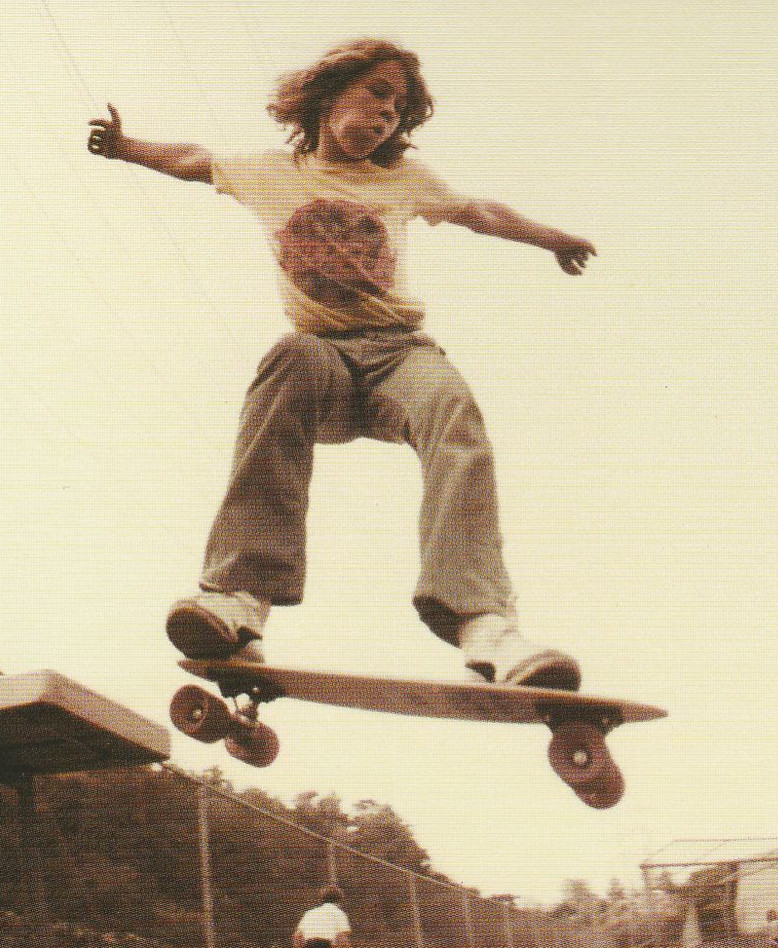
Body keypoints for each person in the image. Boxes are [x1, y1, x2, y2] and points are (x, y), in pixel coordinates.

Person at [87, 39, 595, 688]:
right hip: (319, 363)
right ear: (328, 95)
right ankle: (236, 599)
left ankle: (484, 624)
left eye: (398, 110)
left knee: (453, 410)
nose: (387, 114)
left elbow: (479, 213)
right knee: (288, 354)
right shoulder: (270, 171)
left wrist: (551, 238)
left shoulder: (404, 179)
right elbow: (192, 160)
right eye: (378, 93)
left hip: (398, 357)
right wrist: (127, 147)